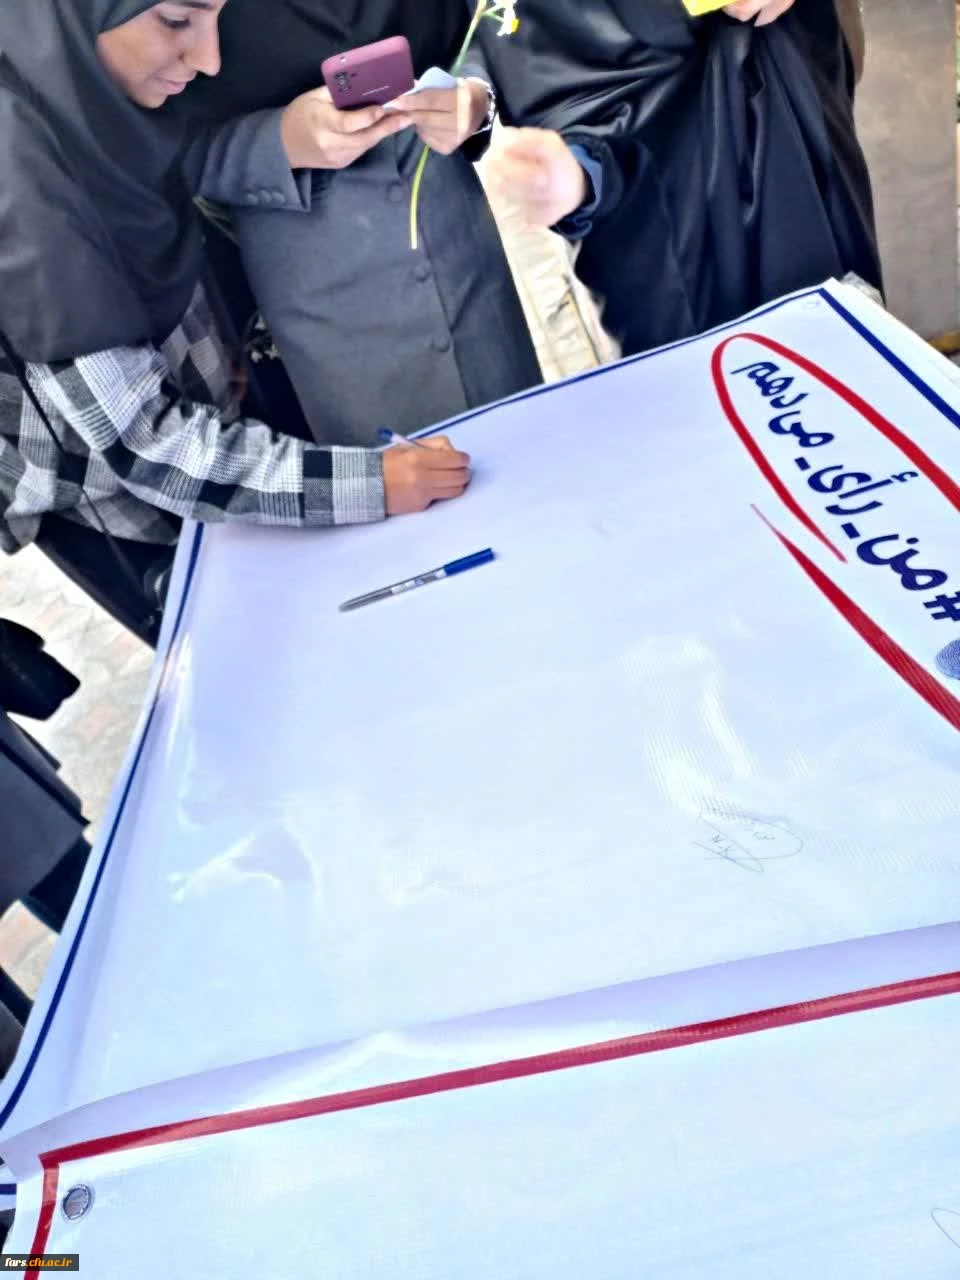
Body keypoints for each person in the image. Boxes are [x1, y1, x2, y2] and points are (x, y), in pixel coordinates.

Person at [0, 0, 471, 646]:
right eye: (176, 21)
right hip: (130, 509)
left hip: (216, 426)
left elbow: (160, 219)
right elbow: (142, 446)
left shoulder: (90, 98)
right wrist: (372, 483)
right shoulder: (16, 172)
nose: (210, 60)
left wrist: (218, 343)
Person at [184, 0, 544, 449]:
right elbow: (154, 142)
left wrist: (476, 95)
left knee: (527, 449)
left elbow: (492, 19)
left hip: (457, 236)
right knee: (393, 476)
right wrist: (281, 140)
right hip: (322, 285)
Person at [483, 0, 881, 358]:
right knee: (703, 377)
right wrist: (578, 170)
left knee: (833, 352)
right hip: (638, 182)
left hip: (777, 86)